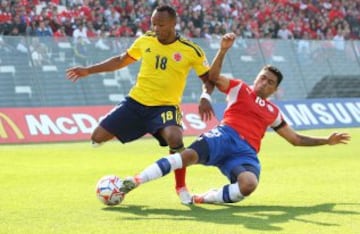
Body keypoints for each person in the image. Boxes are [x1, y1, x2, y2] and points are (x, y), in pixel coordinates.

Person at [118, 32, 351, 204]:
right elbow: (213, 76)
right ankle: (136, 180)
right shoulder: (240, 88)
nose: (264, 83)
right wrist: (223, 50)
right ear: (256, 77)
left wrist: (326, 140)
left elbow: (295, 139)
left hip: (245, 152)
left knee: (248, 185)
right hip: (224, 136)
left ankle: (202, 199)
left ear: (275, 89)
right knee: (186, 155)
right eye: (262, 78)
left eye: (270, 82)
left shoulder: (273, 112)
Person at [65, 5, 215, 204]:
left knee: (175, 138)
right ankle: (143, 129)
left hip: (165, 107)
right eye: (153, 24)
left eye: (160, 24)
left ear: (173, 24)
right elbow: (120, 61)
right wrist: (88, 70)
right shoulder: (146, 40)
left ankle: (181, 187)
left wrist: (206, 96)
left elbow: (209, 80)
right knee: (97, 138)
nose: (156, 28)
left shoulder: (191, 50)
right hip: (136, 103)